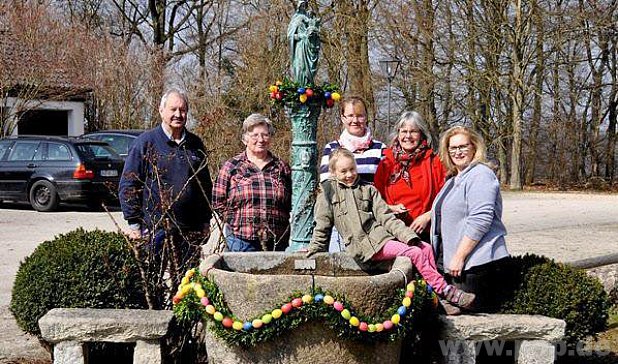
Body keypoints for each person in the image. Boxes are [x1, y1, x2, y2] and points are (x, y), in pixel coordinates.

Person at [307, 148, 475, 313]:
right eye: (343, 171)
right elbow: (322, 225)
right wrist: (315, 249)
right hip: (363, 246)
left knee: (426, 248)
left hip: (381, 239)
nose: (349, 174)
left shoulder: (368, 189)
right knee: (414, 253)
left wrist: (409, 237)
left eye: (352, 169)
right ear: (333, 172)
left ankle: (438, 301)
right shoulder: (328, 194)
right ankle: (448, 292)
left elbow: (387, 218)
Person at [119, 89, 212, 306]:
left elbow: (204, 186)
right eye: (173, 109)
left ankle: (183, 330)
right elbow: (129, 184)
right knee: (153, 284)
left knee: (188, 286)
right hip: (155, 229)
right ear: (161, 111)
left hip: (188, 231)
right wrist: (134, 223)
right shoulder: (146, 143)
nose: (178, 114)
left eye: (183, 110)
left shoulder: (196, 145)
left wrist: (205, 219)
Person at [431, 125, 511, 313]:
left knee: (477, 329)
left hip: (477, 265)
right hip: (457, 266)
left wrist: (459, 257)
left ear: (474, 147)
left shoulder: (481, 174)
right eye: (453, 148)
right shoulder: (453, 180)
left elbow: (481, 219)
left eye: (463, 146)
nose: (458, 152)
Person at [212, 114, 292, 252]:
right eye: (255, 135)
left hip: (277, 241)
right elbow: (217, 201)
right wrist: (234, 222)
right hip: (241, 241)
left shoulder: (281, 167)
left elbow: (292, 201)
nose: (260, 140)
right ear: (245, 139)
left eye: (265, 135)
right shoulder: (232, 166)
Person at [319, 96, 386, 252]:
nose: (355, 120)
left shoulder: (380, 148)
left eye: (360, 115)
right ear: (343, 118)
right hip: (343, 220)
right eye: (350, 115)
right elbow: (327, 186)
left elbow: (385, 186)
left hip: (372, 219)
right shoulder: (332, 148)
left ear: (366, 117)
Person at [374, 111, 446, 242]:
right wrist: (391, 208)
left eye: (413, 131)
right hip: (393, 232)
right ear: (398, 134)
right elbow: (375, 200)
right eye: (404, 131)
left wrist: (428, 216)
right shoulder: (386, 163)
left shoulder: (434, 162)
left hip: (425, 232)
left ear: (421, 134)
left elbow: (446, 198)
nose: (408, 136)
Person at [287, 0, 320, 85]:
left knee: (310, 66)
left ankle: (308, 84)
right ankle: (300, 85)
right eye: (302, 5)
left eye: (305, 5)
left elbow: (315, 30)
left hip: (308, 45)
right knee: (300, 66)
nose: (303, 7)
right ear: (298, 6)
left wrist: (312, 32)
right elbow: (290, 35)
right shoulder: (296, 18)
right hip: (299, 46)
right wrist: (299, 36)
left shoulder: (309, 18)